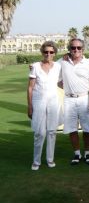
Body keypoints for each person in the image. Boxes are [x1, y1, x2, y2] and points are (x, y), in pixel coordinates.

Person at [60, 38, 89, 165]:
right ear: (69, 49)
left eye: (79, 48)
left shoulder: (88, 63)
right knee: (72, 128)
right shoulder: (62, 61)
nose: (76, 50)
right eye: (73, 48)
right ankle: (77, 153)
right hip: (69, 99)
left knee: (87, 128)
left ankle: (87, 153)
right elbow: (52, 70)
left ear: (83, 49)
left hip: (84, 98)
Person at [27, 41, 62, 170]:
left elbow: (61, 82)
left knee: (52, 132)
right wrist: (30, 106)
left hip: (53, 102)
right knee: (39, 133)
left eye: (51, 52)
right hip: (38, 102)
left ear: (54, 53)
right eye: (46, 52)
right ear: (42, 52)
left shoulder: (58, 66)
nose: (48, 54)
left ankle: (50, 159)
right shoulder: (35, 66)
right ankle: (36, 161)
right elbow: (30, 88)